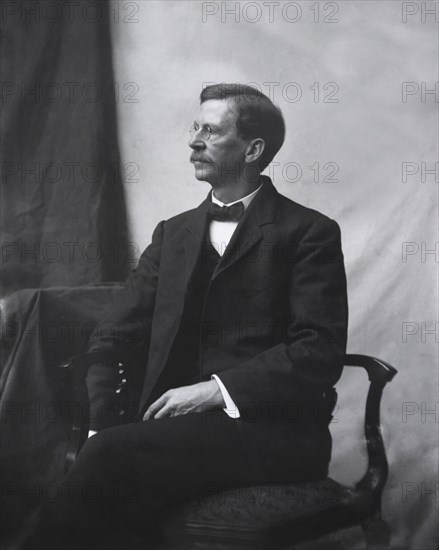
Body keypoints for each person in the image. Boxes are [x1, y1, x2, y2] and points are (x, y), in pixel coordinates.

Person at [28, 83, 348, 549]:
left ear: (253, 149)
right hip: (175, 432)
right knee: (119, 489)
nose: (194, 141)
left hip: (273, 432)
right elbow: (113, 334)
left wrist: (214, 391)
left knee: (113, 465)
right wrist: (99, 422)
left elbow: (317, 350)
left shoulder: (309, 233)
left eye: (212, 131)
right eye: (195, 127)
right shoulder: (173, 233)